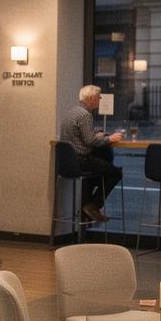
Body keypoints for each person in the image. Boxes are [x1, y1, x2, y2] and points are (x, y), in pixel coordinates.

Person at [59, 84, 123, 223]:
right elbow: (90, 141)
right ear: (91, 98)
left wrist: (97, 133)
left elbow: (80, 135)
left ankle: (86, 210)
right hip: (81, 160)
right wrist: (110, 138)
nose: (100, 99)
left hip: (68, 162)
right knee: (115, 172)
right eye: (98, 97)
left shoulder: (72, 112)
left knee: (98, 175)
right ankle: (93, 206)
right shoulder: (85, 115)